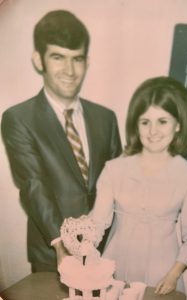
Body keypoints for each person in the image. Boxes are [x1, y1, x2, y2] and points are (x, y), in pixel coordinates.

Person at [1, 10, 121, 272]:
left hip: (106, 252)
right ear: (38, 60)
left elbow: (118, 183)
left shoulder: (106, 119)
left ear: (87, 62)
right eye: (58, 57)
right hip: (54, 252)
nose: (69, 70)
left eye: (77, 59)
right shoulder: (19, 119)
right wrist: (62, 244)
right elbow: (34, 185)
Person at [90, 76, 187, 296]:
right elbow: (97, 223)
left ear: (178, 124)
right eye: (145, 122)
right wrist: (82, 249)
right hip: (114, 268)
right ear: (137, 124)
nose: (153, 131)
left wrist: (173, 275)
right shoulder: (114, 170)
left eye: (162, 121)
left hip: (162, 274)